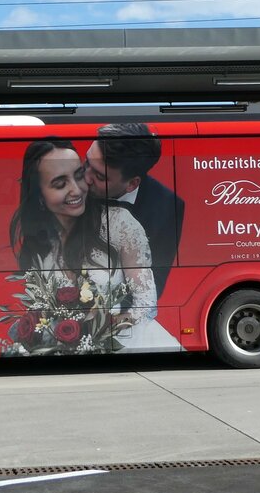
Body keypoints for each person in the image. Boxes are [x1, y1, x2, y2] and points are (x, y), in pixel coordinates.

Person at [9, 139, 173, 349]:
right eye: (60, 184)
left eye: (78, 175)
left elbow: (146, 303)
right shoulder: (39, 247)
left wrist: (103, 333)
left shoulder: (119, 224)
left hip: (131, 342)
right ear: (40, 197)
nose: (76, 190)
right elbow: (42, 313)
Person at [83, 122, 185, 297]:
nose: (85, 178)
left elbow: (152, 285)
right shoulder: (68, 183)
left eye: (99, 176)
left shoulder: (167, 206)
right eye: (86, 162)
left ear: (132, 184)